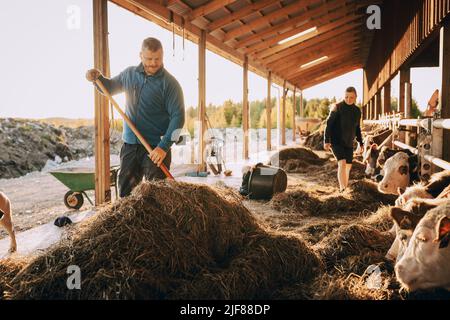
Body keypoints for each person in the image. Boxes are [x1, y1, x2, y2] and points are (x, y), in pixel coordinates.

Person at [86, 37, 185, 197]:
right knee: (126, 195)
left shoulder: (170, 84)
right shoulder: (129, 74)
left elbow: (178, 118)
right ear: (141, 55)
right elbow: (109, 88)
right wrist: (97, 79)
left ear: (163, 56)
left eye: (157, 59)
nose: (153, 63)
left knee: (158, 199)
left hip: (155, 149)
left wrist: (163, 146)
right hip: (130, 147)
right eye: (149, 59)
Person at [324, 87, 363, 192]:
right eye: (346, 97)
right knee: (342, 162)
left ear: (355, 97)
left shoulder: (357, 111)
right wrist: (326, 140)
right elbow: (329, 124)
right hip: (336, 141)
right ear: (343, 96)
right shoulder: (337, 107)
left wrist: (361, 142)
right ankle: (343, 189)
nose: (348, 99)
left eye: (351, 97)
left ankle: (345, 189)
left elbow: (357, 128)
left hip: (348, 142)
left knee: (348, 166)